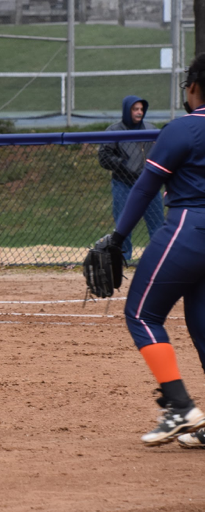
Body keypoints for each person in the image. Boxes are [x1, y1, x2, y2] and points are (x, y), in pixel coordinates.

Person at [105, 55, 205, 447]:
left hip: (189, 227)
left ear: (193, 86)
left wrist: (116, 239)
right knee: (202, 327)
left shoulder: (183, 129)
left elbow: (145, 187)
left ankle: (180, 406)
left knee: (142, 314)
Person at [98, 95, 164, 261]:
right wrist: (122, 164)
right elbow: (104, 157)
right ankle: (123, 260)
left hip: (149, 184)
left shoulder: (151, 129)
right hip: (123, 184)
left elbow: (162, 153)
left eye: (141, 109)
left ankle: (160, 259)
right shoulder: (114, 131)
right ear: (127, 111)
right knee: (123, 225)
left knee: (157, 225)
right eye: (135, 109)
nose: (139, 112)